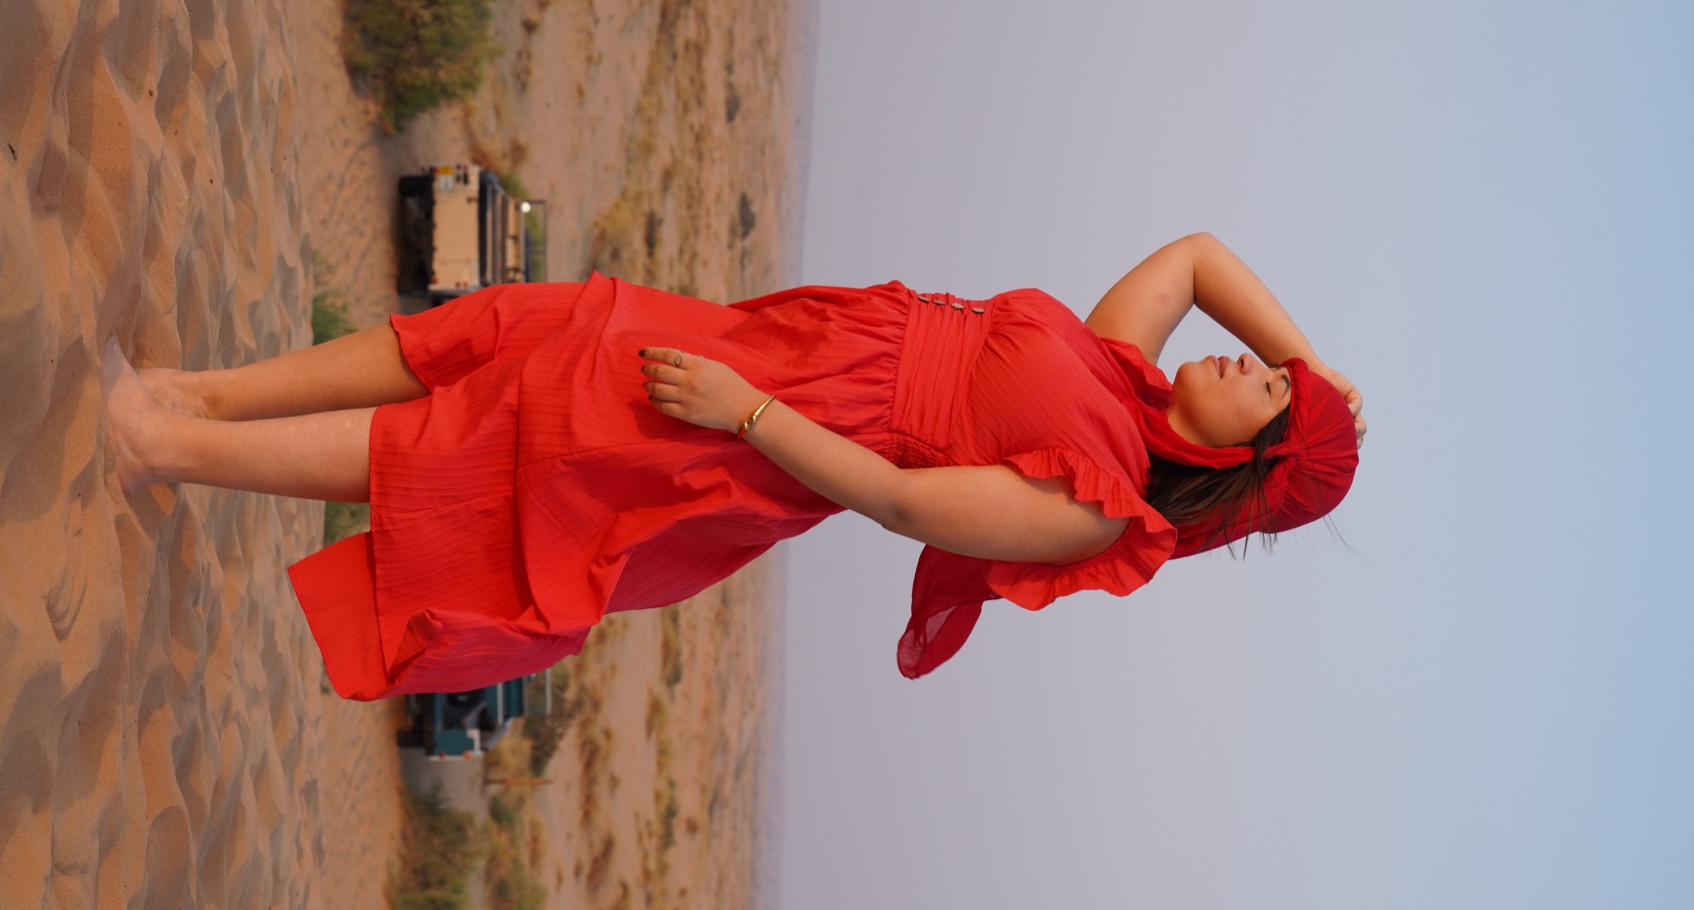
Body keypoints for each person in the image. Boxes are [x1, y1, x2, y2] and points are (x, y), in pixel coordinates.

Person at [103, 233, 1364, 700]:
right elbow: (1200, 252)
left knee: (489, 444)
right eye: (1266, 364)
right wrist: (1322, 376)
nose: (1248, 362)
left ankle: (166, 446)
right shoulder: (1113, 367)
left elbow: (906, 499)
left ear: (1242, 454)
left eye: (1266, 390)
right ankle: (195, 395)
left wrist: (745, 408)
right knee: (492, 335)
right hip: (769, 345)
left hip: (754, 421)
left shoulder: (1101, 509)